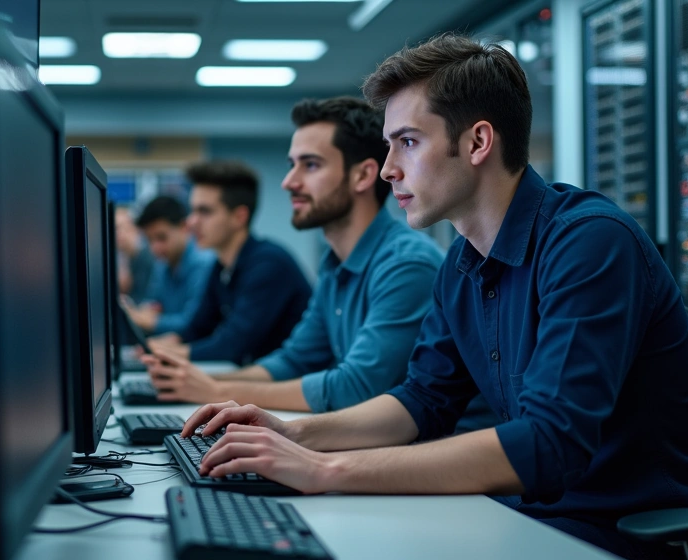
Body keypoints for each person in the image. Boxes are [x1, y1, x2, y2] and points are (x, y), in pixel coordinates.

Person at [178, 34, 688, 560]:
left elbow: (549, 443)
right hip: (529, 517)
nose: (389, 168)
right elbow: (422, 401)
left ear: (478, 142)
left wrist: (326, 469)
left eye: (408, 142)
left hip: (619, 539)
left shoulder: (590, 243)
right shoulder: (462, 261)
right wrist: (291, 432)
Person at [144, 97, 457, 417]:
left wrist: (219, 391)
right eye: (292, 165)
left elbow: (356, 387)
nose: (288, 182)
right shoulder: (335, 264)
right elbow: (294, 360)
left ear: (362, 176)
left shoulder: (406, 264)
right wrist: (198, 381)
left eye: (310, 165)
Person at [149, 160, 312, 366]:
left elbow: (233, 345)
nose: (191, 222)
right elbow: (197, 328)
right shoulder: (221, 266)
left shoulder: (269, 264)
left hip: (287, 386)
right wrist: (156, 347)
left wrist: (174, 353)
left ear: (239, 217)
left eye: (204, 212)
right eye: (193, 211)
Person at [121, 195, 214, 335]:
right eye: (149, 240)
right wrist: (147, 310)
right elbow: (153, 301)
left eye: (162, 237)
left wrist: (141, 318)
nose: (155, 248)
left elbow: (192, 322)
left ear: (184, 227)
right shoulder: (163, 265)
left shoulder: (204, 263)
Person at [113, 205, 156, 304]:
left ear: (133, 227)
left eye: (118, 228)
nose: (116, 233)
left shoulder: (147, 256)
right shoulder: (125, 257)